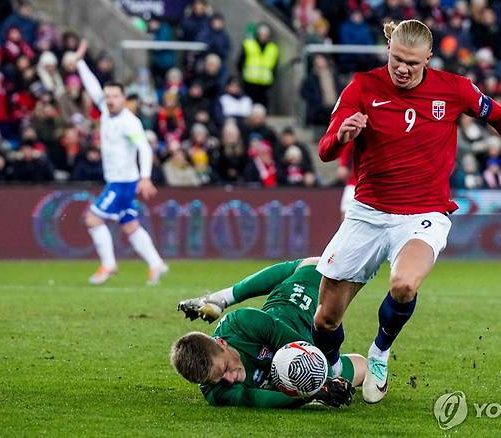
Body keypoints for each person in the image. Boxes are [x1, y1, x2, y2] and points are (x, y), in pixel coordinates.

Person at [312, 20, 501, 404]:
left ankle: (379, 352)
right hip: (367, 212)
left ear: (428, 56)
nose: (402, 69)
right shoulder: (362, 86)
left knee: (404, 285)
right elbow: (325, 150)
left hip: (424, 213)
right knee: (325, 318)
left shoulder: (454, 88)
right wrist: (342, 136)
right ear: (388, 48)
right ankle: (331, 372)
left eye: (411, 62)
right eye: (395, 59)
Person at [172, 257, 364, 408]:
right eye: (219, 380)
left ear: (221, 343)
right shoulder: (214, 390)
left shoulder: (241, 324)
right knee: (363, 369)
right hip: (300, 351)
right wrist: (311, 394)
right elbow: (252, 398)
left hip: (302, 300)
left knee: (314, 266)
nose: (229, 380)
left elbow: (303, 347)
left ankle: (221, 298)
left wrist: (322, 382)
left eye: (225, 369)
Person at [74, 40, 168, 286]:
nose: (109, 100)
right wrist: (80, 62)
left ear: (124, 98)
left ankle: (108, 264)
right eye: (107, 96)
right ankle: (156, 264)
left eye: (115, 96)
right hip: (120, 181)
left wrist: (146, 176)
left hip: (122, 182)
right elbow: (93, 86)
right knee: (130, 225)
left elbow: (143, 148)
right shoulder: (105, 111)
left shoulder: (130, 122)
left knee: (92, 219)